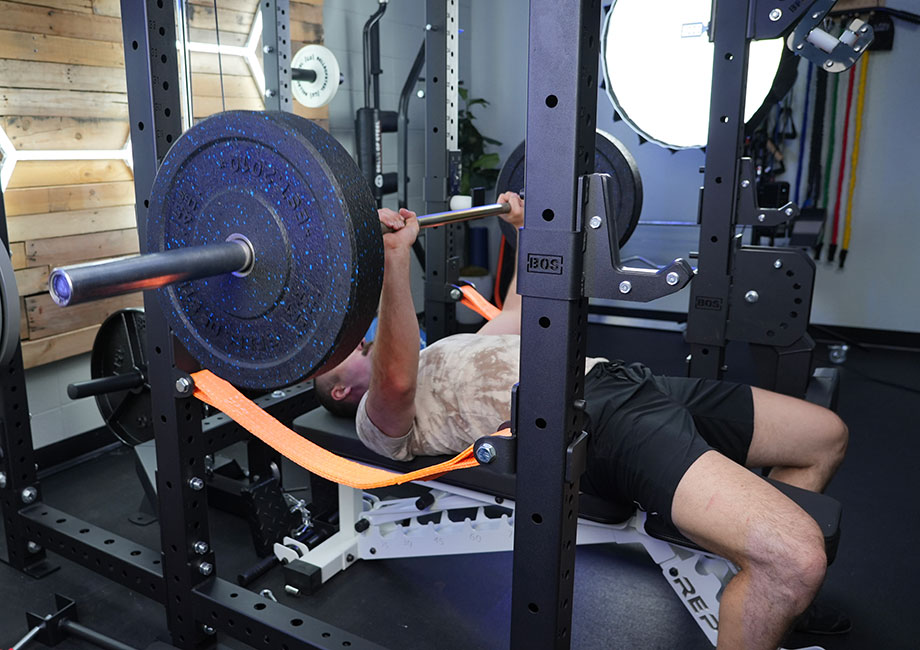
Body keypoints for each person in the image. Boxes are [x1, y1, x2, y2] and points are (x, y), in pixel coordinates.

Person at [314, 192, 849, 650]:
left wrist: (524, 231)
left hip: (623, 378)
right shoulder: (374, 420)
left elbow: (521, 316)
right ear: (340, 389)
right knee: (793, 561)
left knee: (823, 436)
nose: (357, 338)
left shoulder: (448, 350)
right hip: (594, 415)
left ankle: (763, 601)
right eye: (348, 350)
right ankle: (767, 586)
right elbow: (397, 376)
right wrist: (394, 262)